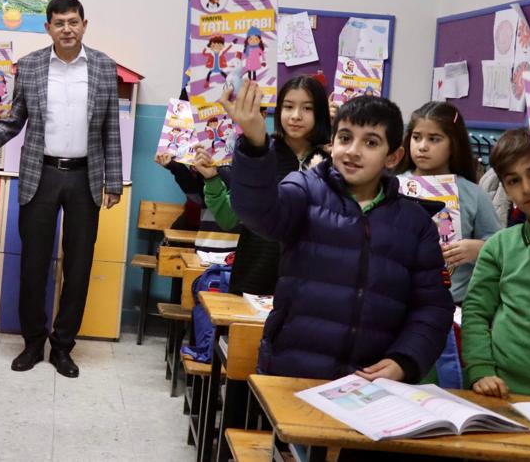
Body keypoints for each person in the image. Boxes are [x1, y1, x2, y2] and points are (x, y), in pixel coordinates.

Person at [223, 85, 454, 381]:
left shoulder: (415, 223)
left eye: (371, 143)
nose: (353, 151)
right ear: (332, 144)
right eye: (345, 138)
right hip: (293, 372)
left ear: (393, 157)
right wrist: (256, 144)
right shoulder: (305, 189)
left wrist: (405, 360)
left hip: (370, 384)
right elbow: (259, 213)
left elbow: (433, 307)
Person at [0, 0, 122, 379]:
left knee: (78, 268)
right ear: (48, 28)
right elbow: (14, 120)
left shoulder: (103, 66)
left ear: (84, 25)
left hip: (85, 177)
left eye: (73, 22)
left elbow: (111, 128)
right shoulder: (30, 66)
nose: (67, 29)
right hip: (40, 174)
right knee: (33, 264)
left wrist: (113, 181)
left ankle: (63, 347)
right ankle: (33, 343)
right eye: (59, 23)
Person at [190, 75, 330, 295]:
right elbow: (229, 218)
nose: (296, 115)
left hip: (306, 283)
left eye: (307, 108)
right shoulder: (259, 154)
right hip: (254, 276)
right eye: (288, 106)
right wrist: (211, 179)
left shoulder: (331, 162)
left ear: (320, 112)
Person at [463, 128, 530, 398]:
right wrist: (480, 370)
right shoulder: (499, 247)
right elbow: (476, 312)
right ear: (506, 190)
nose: (527, 188)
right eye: (513, 180)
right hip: (505, 392)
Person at [398, 102, 500, 303]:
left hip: (454, 302)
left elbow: (501, 246)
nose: (422, 146)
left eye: (434, 139)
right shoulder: (393, 186)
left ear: (453, 144)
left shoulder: (473, 194)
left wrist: (478, 249)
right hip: (399, 298)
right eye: (416, 137)